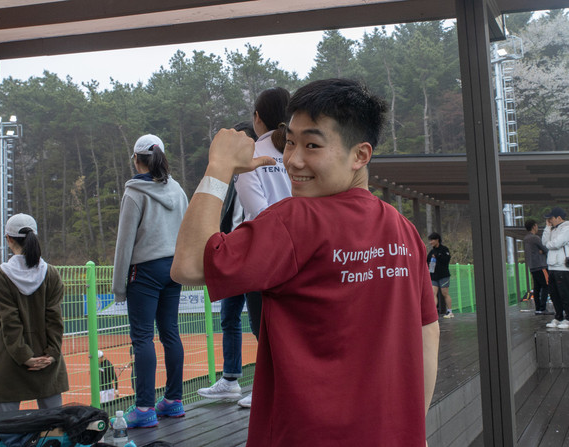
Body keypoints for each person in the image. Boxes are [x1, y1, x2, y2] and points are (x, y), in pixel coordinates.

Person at [170, 78, 440, 446]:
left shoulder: (295, 220)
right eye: (291, 142)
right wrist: (414, 429)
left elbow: (187, 265)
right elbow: (427, 330)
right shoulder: (404, 231)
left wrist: (218, 169)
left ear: (361, 155)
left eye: (312, 145)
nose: (293, 160)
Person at [112, 134, 189, 428]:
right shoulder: (179, 190)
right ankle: (173, 401)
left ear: (136, 159)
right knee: (170, 333)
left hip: (144, 271)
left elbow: (125, 243)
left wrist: (120, 287)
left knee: (142, 337)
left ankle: (144, 408)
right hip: (174, 268)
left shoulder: (134, 193)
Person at [197, 122, 258, 405]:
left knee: (261, 322)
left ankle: (266, 384)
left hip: (256, 255)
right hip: (234, 252)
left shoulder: (261, 171)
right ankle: (230, 379)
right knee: (228, 316)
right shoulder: (234, 176)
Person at [0, 213, 69, 414]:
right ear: (35, 237)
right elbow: (55, 320)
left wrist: (24, 356)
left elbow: (10, 322)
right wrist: (52, 353)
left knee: (8, 431)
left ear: (9, 239)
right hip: (46, 359)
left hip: (8, 360)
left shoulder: (0, 275)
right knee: (53, 429)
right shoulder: (51, 273)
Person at [542, 207, 569, 329]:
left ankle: (568, 318)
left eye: (551, 218)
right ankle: (558, 317)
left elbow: (557, 243)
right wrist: (547, 228)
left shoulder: (567, 228)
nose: (550, 220)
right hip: (552, 266)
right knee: (554, 294)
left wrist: (549, 244)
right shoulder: (553, 229)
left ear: (558, 218)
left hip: (563, 266)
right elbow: (544, 242)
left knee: (565, 294)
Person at [523, 219, 549, 315]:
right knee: (546, 286)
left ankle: (538, 308)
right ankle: (543, 308)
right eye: (537, 225)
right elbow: (545, 248)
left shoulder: (526, 239)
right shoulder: (535, 238)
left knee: (537, 288)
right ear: (534, 226)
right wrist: (543, 251)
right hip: (541, 265)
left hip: (532, 266)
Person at [427, 232, 454, 318]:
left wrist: (438, 256)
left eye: (432, 240)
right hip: (434, 276)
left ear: (437, 240)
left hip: (443, 276)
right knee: (433, 293)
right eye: (430, 240)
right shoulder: (431, 252)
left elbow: (446, 260)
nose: (430, 242)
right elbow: (427, 261)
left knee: (445, 293)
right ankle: (434, 312)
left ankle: (450, 312)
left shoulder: (444, 249)